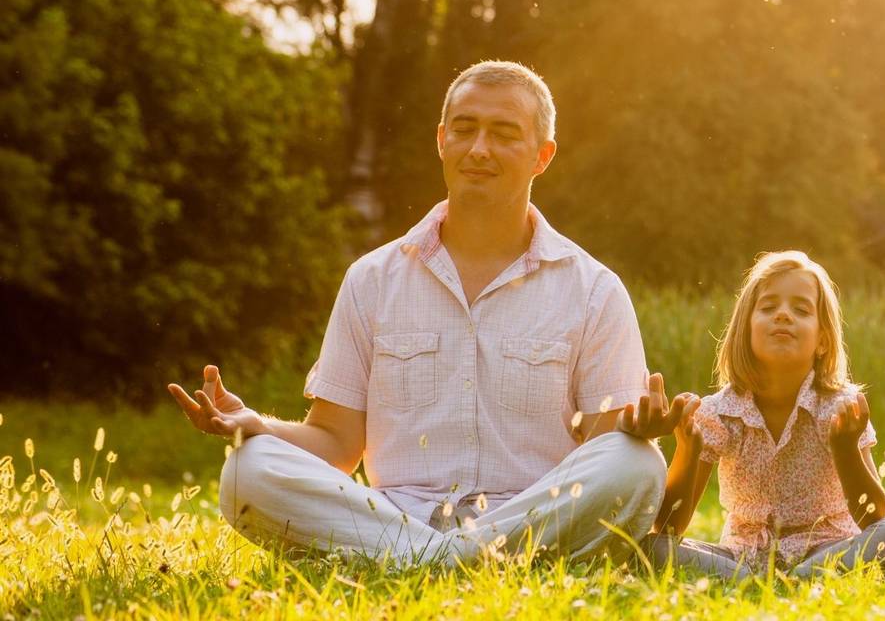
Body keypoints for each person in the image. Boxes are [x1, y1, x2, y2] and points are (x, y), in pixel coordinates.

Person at [166, 61, 677, 567]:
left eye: (504, 134)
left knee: (635, 463)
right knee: (247, 467)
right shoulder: (372, 279)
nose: (479, 149)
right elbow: (337, 443)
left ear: (542, 156)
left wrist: (633, 431)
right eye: (465, 129)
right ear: (441, 140)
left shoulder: (594, 290)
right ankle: (470, 561)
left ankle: (425, 562)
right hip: (394, 518)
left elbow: (600, 451)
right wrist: (257, 425)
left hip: (528, 518)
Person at [644, 251, 885, 578]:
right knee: (647, 546)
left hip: (827, 549)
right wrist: (687, 449)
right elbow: (670, 526)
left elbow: (874, 517)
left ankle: (793, 578)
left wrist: (845, 449)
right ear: (746, 329)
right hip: (741, 556)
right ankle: (770, 581)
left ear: (822, 340)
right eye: (769, 307)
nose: (783, 315)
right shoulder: (717, 413)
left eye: (801, 309)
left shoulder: (840, 407)